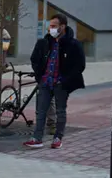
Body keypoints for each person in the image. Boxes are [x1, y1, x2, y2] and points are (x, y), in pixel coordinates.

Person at [24, 14, 86, 149]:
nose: (50, 29)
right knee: (41, 111)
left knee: (60, 111)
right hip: (45, 82)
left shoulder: (73, 44)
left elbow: (80, 65)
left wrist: (65, 79)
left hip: (61, 84)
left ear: (62, 27)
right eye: (50, 26)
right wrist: (40, 76)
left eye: (53, 26)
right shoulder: (44, 42)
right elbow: (34, 59)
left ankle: (58, 138)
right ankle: (37, 138)